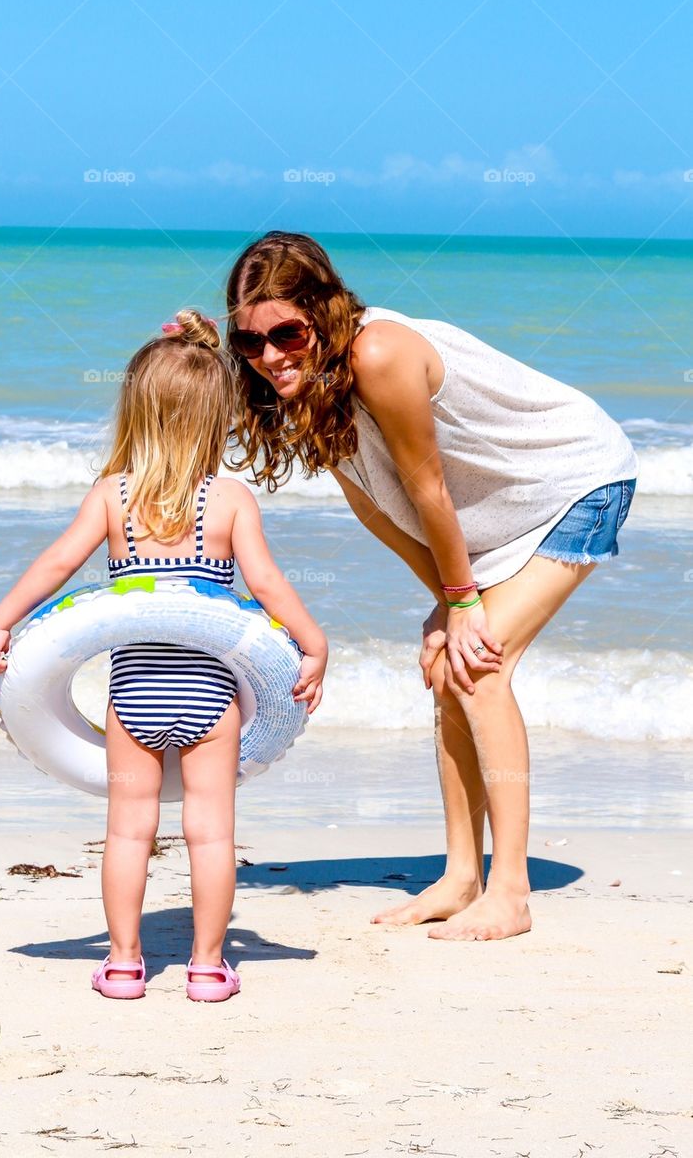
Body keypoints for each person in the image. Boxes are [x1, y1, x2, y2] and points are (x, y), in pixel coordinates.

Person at [225, 232, 636, 942]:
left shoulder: (376, 354)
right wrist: (449, 604)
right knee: (450, 665)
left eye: (285, 333)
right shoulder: (310, 388)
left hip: (574, 482)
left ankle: (509, 892)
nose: (269, 357)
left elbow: (427, 486)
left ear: (321, 313)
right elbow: (377, 506)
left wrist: (464, 605)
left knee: (479, 669)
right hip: (495, 521)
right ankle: (459, 878)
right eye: (247, 344)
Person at [0, 309, 328, 997]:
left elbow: (56, 565)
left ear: (135, 412)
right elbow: (265, 585)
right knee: (210, 836)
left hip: (135, 697)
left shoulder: (112, 497)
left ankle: (122, 961)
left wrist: (2, 620)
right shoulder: (228, 500)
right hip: (211, 699)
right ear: (218, 418)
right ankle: (204, 966)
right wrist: (313, 643)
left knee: (128, 835)